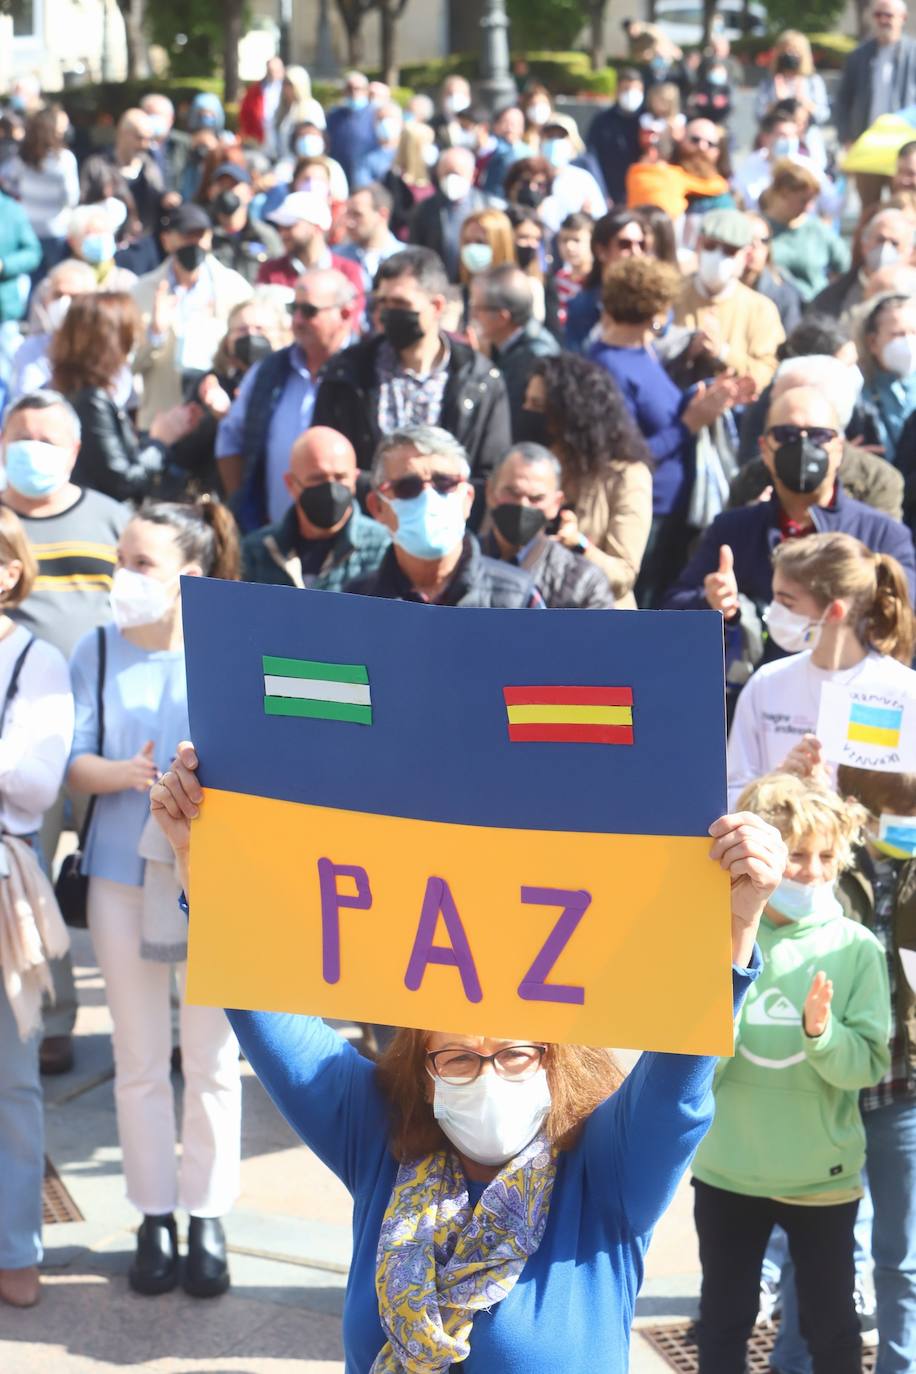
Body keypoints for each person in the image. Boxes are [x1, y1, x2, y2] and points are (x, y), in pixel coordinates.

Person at [150, 734, 784, 1372]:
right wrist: (201, 856)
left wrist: (736, 924)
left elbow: (677, 1085)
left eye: (514, 1054)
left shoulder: (607, 1175)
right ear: (422, 1074)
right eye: (456, 1058)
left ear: (553, 1061)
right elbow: (260, 1009)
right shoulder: (381, 1142)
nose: (486, 1076)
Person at [68, 499, 242, 1299]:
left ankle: (208, 1213)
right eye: (123, 558)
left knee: (211, 1059)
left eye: (142, 563)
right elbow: (71, 761)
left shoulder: (227, 651)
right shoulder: (95, 649)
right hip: (115, 869)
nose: (123, 576)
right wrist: (126, 774)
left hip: (211, 878)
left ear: (189, 576)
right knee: (138, 1060)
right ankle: (153, 1214)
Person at [692, 770, 890, 1374]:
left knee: (832, 1329)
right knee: (722, 1323)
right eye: (796, 854)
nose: (810, 870)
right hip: (727, 1171)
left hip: (820, 1178)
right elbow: (692, 1060)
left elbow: (868, 1064)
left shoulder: (856, 947)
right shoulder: (714, 934)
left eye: (825, 856)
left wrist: (820, 1033)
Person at [1, 388, 128, 1074]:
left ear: (75, 451)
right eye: (21, 435)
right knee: (30, 875)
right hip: (21, 733)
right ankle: (47, 1017)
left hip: (106, 729)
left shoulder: (111, 519)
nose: (33, 450)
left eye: (48, 439)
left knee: (121, 876)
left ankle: (153, 1016)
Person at [663, 386, 916, 676]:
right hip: (758, 699)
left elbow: (904, 620)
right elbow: (673, 609)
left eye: (819, 435)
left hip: (848, 697)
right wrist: (713, 602)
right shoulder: (732, 531)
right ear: (764, 449)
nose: (803, 446)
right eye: (787, 435)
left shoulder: (881, 534)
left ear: (839, 450)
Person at [0, 504, 74, 1310]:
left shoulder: (37, 660)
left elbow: (33, 783)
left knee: (10, 1074)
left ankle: (15, 1244)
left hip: (3, 875)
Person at [590, 256, 744, 606]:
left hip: (671, 508)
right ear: (658, 309)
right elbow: (627, 454)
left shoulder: (642, 352)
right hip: (649, 512)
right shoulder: (608, 365)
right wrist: (689, 423)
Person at [727, 531, 916, 809]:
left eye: (787, 602)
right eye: (774, 598)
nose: (774, 611)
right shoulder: (767, 682)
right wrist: (778, 784)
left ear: (835, 611)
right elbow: (732, 794)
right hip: (777, 849)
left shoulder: (901, 691)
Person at [312, 249, 512, 503]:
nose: (387, 314)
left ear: (437, 306)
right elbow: (328, 459)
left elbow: (490, 470)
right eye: (382, 303)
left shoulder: (481, 379)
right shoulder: (347, 373)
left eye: (401, 304)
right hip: (369, 527)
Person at [216, 267, 358, 532]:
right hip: (274, 533)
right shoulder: (268, 371)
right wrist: (243, 506)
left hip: (349, 535)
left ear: (346, 313)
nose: (299, 320)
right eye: (295, 309)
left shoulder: (365, 372)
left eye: (310, 311)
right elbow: (230, 438)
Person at [343, 425, 541, 607]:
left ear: (468, 500)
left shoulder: (519, 599)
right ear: (377, 507)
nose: (428, 498)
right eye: (408, 487)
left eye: (445, 483)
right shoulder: (355, 602)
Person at [517, 354, 653, 608]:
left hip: (597, 620)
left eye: (537, 405)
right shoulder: (527, 467)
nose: (526, 413)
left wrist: (578, 545)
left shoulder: (626, 476)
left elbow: (622, 577)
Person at [51, 292, 198, 504]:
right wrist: (159, 442)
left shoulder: (82, 392)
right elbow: (122, 481)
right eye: (129, 336)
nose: (133, 344)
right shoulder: (91, 401)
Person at [733, 353, 904, 519]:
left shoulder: (876, 481)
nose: (776, 412)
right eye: (784, 431)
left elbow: (881, 541)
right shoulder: (752, 478)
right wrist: (753, 522)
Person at [131, 203, 252, 432]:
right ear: (167, 240)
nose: (194, 244)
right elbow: (131, 365)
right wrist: (156, 332)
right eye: (187, 236)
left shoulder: (234, 288)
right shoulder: (141, 291)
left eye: (201, 236)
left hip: (215, 420)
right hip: (161, 418)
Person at [241, 425, 390, 590]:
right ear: (291, 484)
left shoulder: (383, 549)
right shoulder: (257, 551)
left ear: (355, 479)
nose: (331, 489)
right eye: (318, 479)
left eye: (340, 477)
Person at [483, 444, 615, 609]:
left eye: (536, 498)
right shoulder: (461, 562)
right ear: (490, 492)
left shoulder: (584, 582)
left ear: (556, 503)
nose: (523, 504)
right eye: (513, 492)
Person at [673, 209, 785, 395]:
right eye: (710, 246)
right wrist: (686, 351)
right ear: (699, 245)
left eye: (729, 251)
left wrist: (724, 353)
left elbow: (768, 372)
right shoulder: (672, 296)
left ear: (745, 254)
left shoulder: (760, 309)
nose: (718, 257)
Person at [836, 0, 916, 208]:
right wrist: (846, 137)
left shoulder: (913, 53)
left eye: (888, 15)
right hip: (867, 145)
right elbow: (843, 100)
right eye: (878, 15)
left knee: (905, 205)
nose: (883, 20)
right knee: (869, 207)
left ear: (903, 18)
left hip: (906, 149)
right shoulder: (858, 56)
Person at [470, 266, 560, 436]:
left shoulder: (535, 359)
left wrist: (480, 365)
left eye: (478, 309)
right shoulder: (501, 346)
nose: (473, 316)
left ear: (502, 317)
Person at [0, 105, 79, 276]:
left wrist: (20, 194)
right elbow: (71, 197)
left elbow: (5, 179)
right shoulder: (64, 159)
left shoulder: (22, 158)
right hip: (55, 231)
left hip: (30, 227)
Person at [7, 257, 96, 403]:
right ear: (46, 299)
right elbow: (25, 398)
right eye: (58, 295)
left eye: (75, 297)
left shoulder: (105, 349)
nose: (64, 303)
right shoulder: (31, 349)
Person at [564, 209, 651, 353]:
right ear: (601, 251)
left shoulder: (650, 297)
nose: (636, 252)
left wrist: (653, 326)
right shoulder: (583, 306)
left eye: (641, 245)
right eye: (625, 244)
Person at [764, 161, 851, 303]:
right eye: (803, 201)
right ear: (784, 194)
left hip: (813, 307)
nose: (808, 208)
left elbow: (845, 266)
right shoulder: (761, 229)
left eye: (812, 201)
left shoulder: (817, 229)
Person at [811, 208, 916, 321]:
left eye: (894, 243)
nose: (885, 248)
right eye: (880, 240)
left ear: (910, 251)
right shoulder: (832, 297)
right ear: (864, 243)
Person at [79, 109, 165, 235]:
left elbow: (159, 198)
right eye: (139, 138)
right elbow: (82, 207)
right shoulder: (96, 166)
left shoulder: (150, 167)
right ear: (122, 133)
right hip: (106, 241)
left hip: (143, 244)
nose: (145, 145)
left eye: (149, 139)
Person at [410, 147, 488, 283]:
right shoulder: (424, 210)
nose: (452, 179)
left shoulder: (487, 207)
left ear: (473, 174)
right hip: (440, 283)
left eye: (457, 173)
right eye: (446, 174)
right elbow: (416, 252)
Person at [733, 106, 823, 217]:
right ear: (765, 138)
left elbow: (830, 204)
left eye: (793, 136)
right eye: (783, 136)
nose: (789, 141)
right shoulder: (748, 166)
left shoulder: (809, 167)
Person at [860, 292, 916, 464]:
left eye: (914, 332)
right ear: (872, 342)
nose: (908, 341)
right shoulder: (857, 396)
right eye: (898, 334)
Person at [206, 164, 283, 286]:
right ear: (211, 193)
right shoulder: (203, 236)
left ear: (249, 193)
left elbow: (279, 274)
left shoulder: (265, 236)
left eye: (233, 186)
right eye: (222, 186)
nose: (227, 192)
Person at [0, 185, 41, 399]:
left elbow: (32, 252)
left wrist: (5, 265)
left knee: (7, 373)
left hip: (3, 307)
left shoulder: (10, 211)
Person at [585, 67, 645, 206]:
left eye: (635, 90)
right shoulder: (602, 120)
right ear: (617, 91)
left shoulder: (648, 120)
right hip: (611, 191)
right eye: (626, 89)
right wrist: (601, 190)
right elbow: (592, 156)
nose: (630, 94)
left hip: (641, 192)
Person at [336, 182, 402, 296]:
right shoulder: (337, 258)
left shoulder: (406, 260)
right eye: (348, 214)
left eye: (357, 214)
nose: (349, 222)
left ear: (382, 214)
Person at [741, 212, 803, 335]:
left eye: (763, 240)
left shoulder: (784, 295)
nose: (756, 246)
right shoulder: (717, 288)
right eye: (748, 239)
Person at [754, 32, 831, 128]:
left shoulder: (813, 81)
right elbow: (759, 114)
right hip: (777, 135)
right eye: (785, 50)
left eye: (795, 51)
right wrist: (778, 104)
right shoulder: (769, 82)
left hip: (807, 137)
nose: (789, 54)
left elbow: (823, 114)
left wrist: (803, 102)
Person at [64, 203, 137, 292]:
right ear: (72, 241)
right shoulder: (62, 283)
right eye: (93, 233)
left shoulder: (126, 282)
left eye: (104, 232)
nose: (101, 238)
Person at [325, 72, 378, 191]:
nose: (354, 92)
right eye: (349, 88)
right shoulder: (334, 116)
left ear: (366, 91)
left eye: (358, 89)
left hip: (368, 178)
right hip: (341, 175)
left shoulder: (376, 114)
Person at [479, 105, 534, 197]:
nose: (510, 128)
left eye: (514, 124)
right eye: (506, 122)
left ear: (522, 128)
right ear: (496, 125)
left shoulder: (529, 153)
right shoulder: (490, 146)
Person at [238, 56, 287, 150]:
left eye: (276, 71)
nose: (273, 74)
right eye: (270, 71)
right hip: (261, 135)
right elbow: (245, 114)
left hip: (282, 133)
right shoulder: (255, 89)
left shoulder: (287, 89)